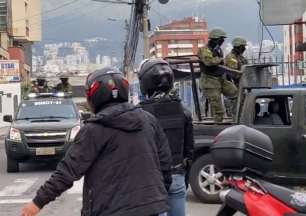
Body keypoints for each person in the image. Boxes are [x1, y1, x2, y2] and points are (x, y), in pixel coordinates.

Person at [21, 67, 172, 216]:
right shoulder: (149, 120)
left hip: (110, 209)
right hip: (152, 208)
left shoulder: (94, 129)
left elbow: (67, 172)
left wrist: (37, 203)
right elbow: (165, 164)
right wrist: (157, 197)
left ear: (94, 97)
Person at [138, 59, 194, 216]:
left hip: (151, 179)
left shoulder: (139, 114)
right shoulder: (183, 111)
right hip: (177, 175)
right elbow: (189, 151)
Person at [198, 28, 238, 122]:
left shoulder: (218, 50)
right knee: (218, 109)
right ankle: (217, 127)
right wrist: (220, 60)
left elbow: (221, 62)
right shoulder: (205, 49)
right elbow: (208, 62)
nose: (223, 41)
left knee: (237, 95)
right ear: (215, 39)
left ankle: (236, 117)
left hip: (220, 79)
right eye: (221, 39)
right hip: (210, 81)